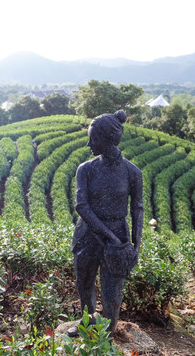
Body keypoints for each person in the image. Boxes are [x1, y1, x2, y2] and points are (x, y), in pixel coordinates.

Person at [69, 110, 143, 335]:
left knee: (112, 293)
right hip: (87, 235)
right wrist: (105, 233)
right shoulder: (86, 169)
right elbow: (81, 205)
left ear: (109, 139)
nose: (89, 143)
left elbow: (137, 208)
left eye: (94, 138)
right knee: (84, 284)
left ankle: (107, 334)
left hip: (117, 237)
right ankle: (86, 323)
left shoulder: (132, 172)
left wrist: (136, 244)